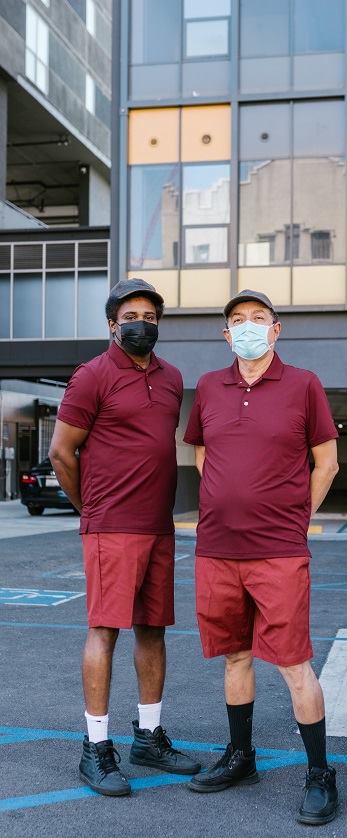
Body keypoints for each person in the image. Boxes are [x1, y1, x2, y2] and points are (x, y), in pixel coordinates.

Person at [183, 289, 340, 825]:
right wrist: (226, 496)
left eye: (258, 318)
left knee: (294, 664)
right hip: (218, 548)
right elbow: (201, 450)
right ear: (226, 336)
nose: (247, 327)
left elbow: (327, 463)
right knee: (235, 655)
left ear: (276, 330)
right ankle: (241, 756)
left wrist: (297, 517)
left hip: (279, 551)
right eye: (237, 321)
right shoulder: (208, 387)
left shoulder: (304, 385)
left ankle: (321, 773)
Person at [49, 278, 200, 797]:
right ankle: (95, 746)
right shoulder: (91, 376)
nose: (144, 324)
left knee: (153, 629)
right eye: (133, 315)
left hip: (159, 524)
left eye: (152, 316)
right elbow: (61, 452)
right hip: (111, 525)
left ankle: (149, 737)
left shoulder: (172, 377)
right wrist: (89, 508)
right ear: (113, 325)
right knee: (106, 631)